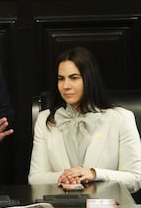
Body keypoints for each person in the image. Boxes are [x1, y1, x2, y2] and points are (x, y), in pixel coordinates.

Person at [28, 47, 141, 193]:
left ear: (89, 79)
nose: (66, 86)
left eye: (74, 78)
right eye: (61, 79)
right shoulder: (45, 120)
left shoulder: (122, 118)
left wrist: (94, 174)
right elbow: (35, 178)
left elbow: (135, 178)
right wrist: (65, 177)